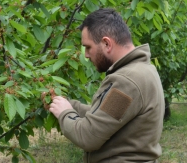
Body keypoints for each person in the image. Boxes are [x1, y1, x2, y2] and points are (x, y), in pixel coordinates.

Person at [48, 8, 165, 163]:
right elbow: (107, 116)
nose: (86, 55)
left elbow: (88, 137)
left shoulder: (126, 82)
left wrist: (65, 113)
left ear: (106, 43)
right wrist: (70, 105)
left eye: (88, 47)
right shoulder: (143, 70)